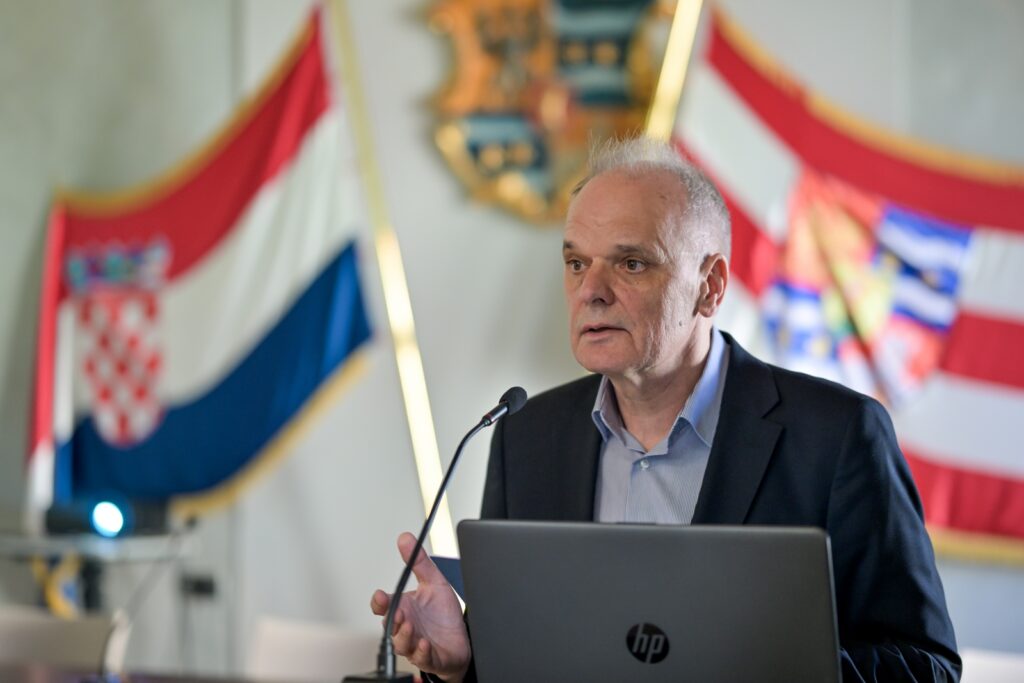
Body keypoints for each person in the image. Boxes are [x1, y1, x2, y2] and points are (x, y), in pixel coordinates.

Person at [371, 137, 961, 682]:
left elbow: (928, 667)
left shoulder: (838, 436)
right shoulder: (525, 437)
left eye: (631, 263)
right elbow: (527, 657)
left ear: (710, 286)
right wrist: (465, 663)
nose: (591, 291)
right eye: (576, 263)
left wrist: (773, 663)